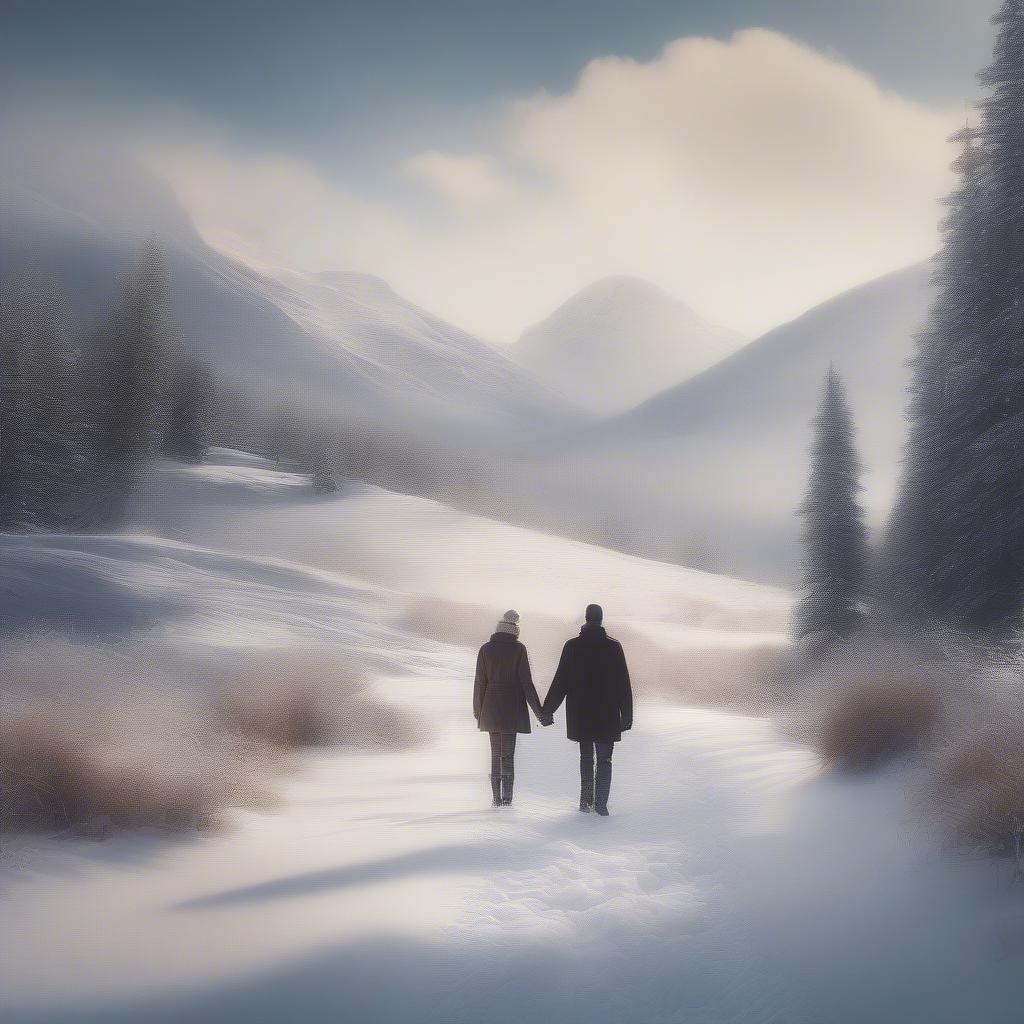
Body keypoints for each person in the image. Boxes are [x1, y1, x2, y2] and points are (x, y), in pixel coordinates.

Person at [543, 603, 633, 816]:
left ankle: (585, 802)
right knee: (605, 759)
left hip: (581, 713)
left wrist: (547, 710)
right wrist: (626, 716)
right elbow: (623, 684)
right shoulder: (614, 647)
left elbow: (560, 682)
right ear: (601, 620)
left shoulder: (572, 646)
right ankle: (601, 805)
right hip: (607, 714)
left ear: (586, 619)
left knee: (586, 758)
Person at [473, 610, 551, 806]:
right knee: (507, 756)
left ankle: (496, 799)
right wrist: (539, 712)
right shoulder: (519, 649)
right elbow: (526, 683)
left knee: (494, 755)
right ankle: (508, 800)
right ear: (516, 628)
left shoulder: (485, 649)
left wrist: (478, 711)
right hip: (512, 709)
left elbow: (479, 683)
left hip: (490, 708)